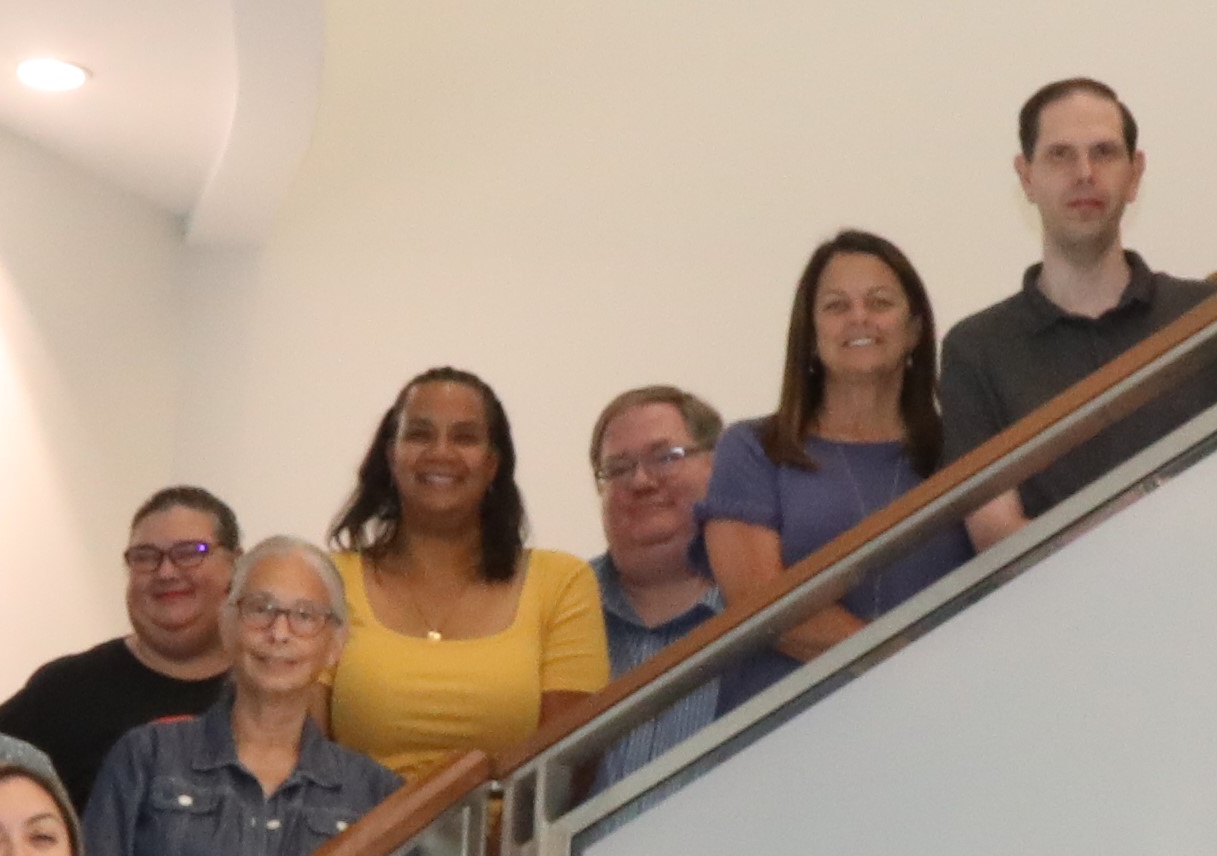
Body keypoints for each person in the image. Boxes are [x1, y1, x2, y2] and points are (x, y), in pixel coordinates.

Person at [81, 539, 408, 856]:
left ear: (336, 643)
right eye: (260, 609)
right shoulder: (146, 758)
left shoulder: (377, 796)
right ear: (227, 624)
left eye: (305, 616)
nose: (279, 633)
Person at [698, 233, 967, 693]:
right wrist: (903, 662)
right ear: (811, 335)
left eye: (880, 302)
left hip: (936, 731)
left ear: (916, 330)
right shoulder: (753, 448)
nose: (859, 317)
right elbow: (760, 606)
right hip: (784, 737)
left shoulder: (962, 446)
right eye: (836, 306)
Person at [942, 85, 1210, 542]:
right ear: (1026, 177)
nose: (1084, 174)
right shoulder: (976, 350)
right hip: (1062, 610)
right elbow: (993, 533)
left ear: (1135, 174)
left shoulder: (1209, 314)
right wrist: (1120, 532)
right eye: (1060, 155)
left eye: (1104, 152)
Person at [326, 367, 610, 762]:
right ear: (392, 456)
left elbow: (566, 765)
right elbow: (299, 756)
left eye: (465, 437)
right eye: (420, 434)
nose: (441, 452)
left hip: (507, 825)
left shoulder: (562, 582)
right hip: (359, 824)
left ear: (493, 464)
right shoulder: (328, 582)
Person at [0, 487, 242, 806]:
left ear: (237, 565)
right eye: (145, 557)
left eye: (190, 552)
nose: (166, 571)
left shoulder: (270, 693)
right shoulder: (61, 693)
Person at [584, 387, 726, 678]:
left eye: (666, 458)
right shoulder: (563, 606)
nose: (640, 482)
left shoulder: (767, 591)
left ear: (719, 465)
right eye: (618, 469)